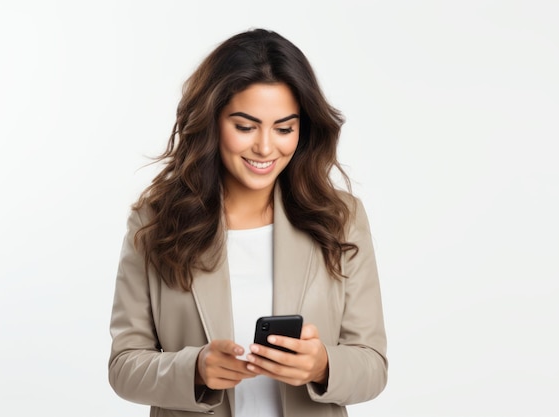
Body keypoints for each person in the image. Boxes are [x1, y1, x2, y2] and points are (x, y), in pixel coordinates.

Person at [108, 28, 387, 417]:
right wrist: (195, 369)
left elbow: (373, 365)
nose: (266, 147)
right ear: (211, 121)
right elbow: (123, 366)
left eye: (284, 128)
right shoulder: (155, 222)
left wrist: (322, 365)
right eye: (245, 126)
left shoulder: (341, 219)